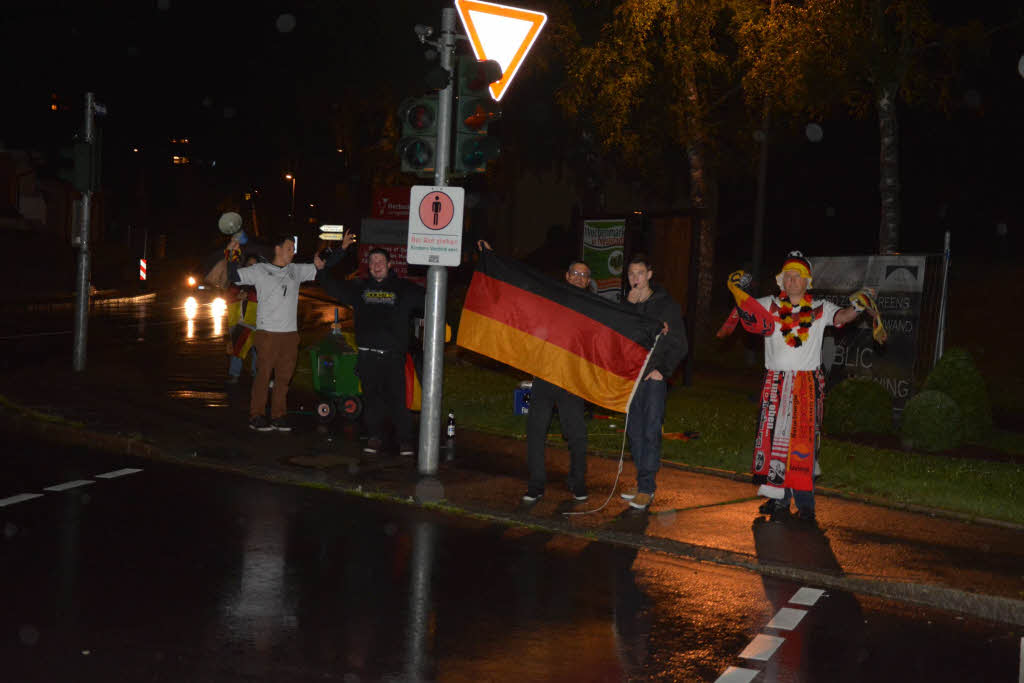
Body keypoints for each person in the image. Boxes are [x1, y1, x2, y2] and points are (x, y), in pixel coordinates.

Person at [729, 250, 875, 523]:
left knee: (803, 444)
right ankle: (778, 500)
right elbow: (744, 310)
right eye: (788, 276)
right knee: (773, 442)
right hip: (775, 382)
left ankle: (805, 504)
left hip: (805, 386)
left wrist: (857, 306)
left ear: (807, 281)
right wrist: (738, 288)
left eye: (798, 276)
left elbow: (843, 317)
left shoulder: (820, 308)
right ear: (780, 280)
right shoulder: (768, 305)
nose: (792, 280)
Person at [315, 241, 425, 456]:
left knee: (398, 400)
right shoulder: (360, 289)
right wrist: (322, 271)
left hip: (393, 357)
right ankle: (374, 437)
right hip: (367, 356)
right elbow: (334, 287)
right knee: (372, 400)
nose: (376, 265)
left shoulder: (404, 289)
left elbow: (431, 299)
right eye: (372, 261)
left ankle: (405, 441)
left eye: (380, 261)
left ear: (390, 264)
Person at [228, 233, 325, 432]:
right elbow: (234, 276)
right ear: (278, 249)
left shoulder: (296, 270)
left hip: (290, 335)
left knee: (283, 378)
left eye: (293, 249)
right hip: (268, 334)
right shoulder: (260, 270)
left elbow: (320, 268)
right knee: (263, 375)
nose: (293, 252)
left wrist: (334, 253)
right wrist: (231, 254)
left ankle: (278, 416)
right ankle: (256, 415)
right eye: (289, 248)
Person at [619, 254, 687, 511]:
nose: (635, 279)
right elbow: (620, 336)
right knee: (634, 431)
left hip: (653, 378)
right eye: (630, 274)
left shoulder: (665, 304)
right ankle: (641, 483)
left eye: (639, 273)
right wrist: (628, 306)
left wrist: (663, 370)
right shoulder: (627, 303)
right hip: (631, 377)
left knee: (650, 431)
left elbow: (679, 342)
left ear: (649, 274)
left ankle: (647, 488)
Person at [226, 255, 259, 384]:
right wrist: (238, 296)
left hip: (258, 321)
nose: (252, 267)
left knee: (258, 350)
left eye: (254, 265)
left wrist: (249, 295)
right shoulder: (238, 279)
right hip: (242, 320)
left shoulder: (263, 280)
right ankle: (234, 374)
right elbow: (230, 295)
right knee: (238, 346)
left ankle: (256, 373)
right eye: (249, 264)